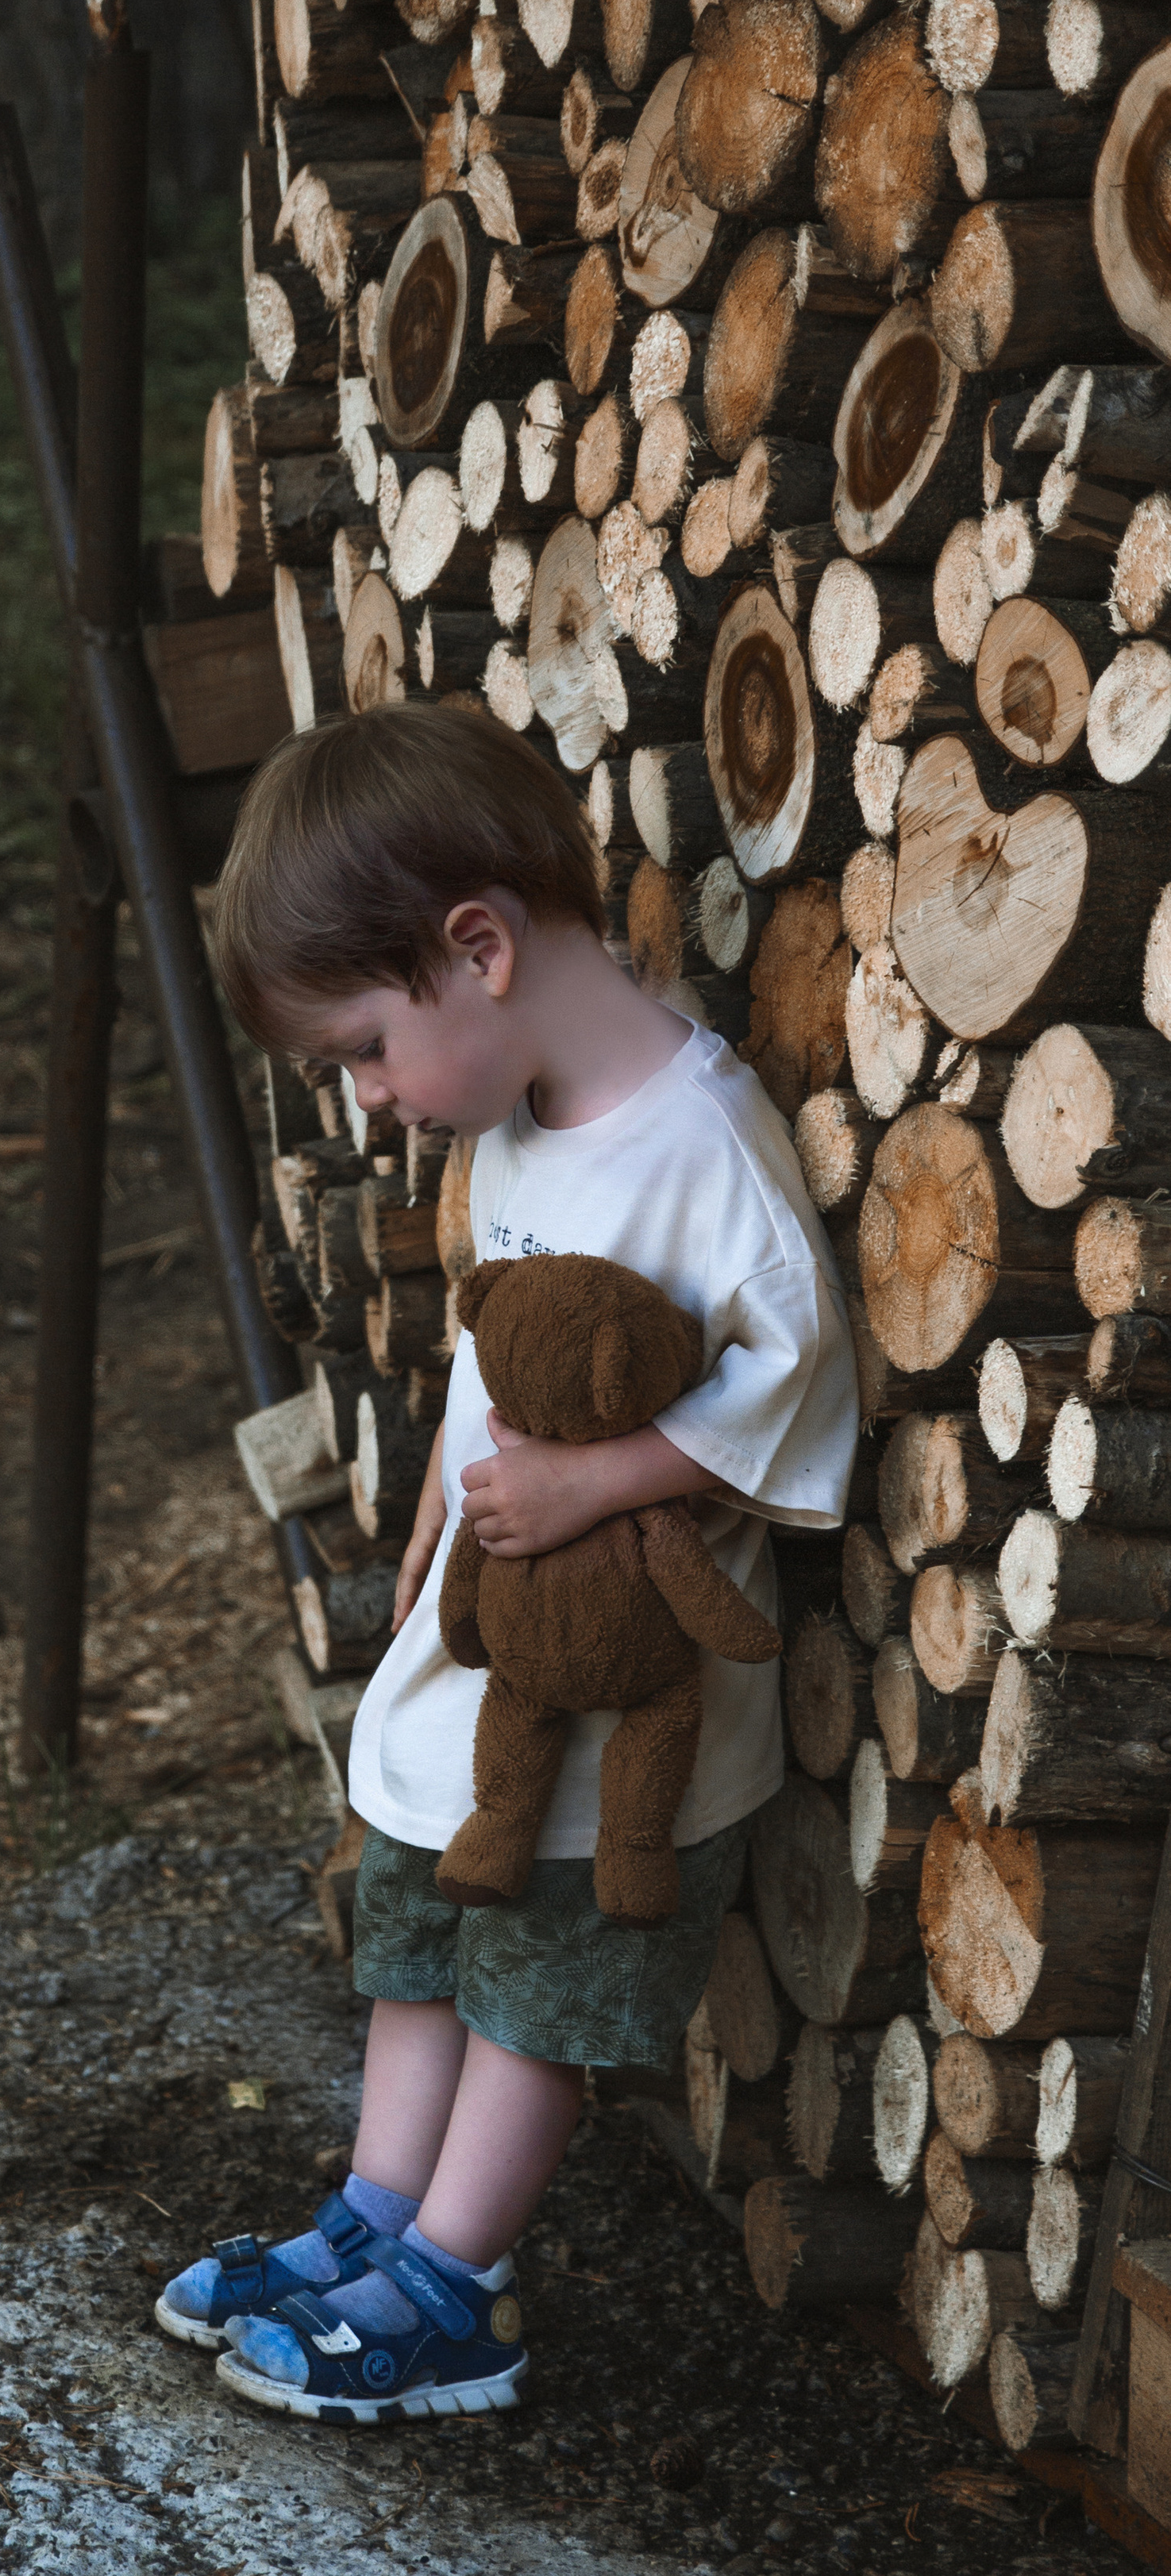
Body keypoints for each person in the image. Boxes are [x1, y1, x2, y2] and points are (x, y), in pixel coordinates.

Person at [154, 701, 857, 2426]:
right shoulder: (524, 1119)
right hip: (490, 1635)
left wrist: (603, 1476)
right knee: (425, 1907)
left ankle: (455, 2282)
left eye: (363, 1050)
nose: (365, 1098)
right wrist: (438, 1502)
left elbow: (800, 1396)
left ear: (471, 949)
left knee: (538, 1950)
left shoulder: (702, 1152)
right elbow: (500, 1354)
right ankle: (372, 2215)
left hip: (620, 1676)